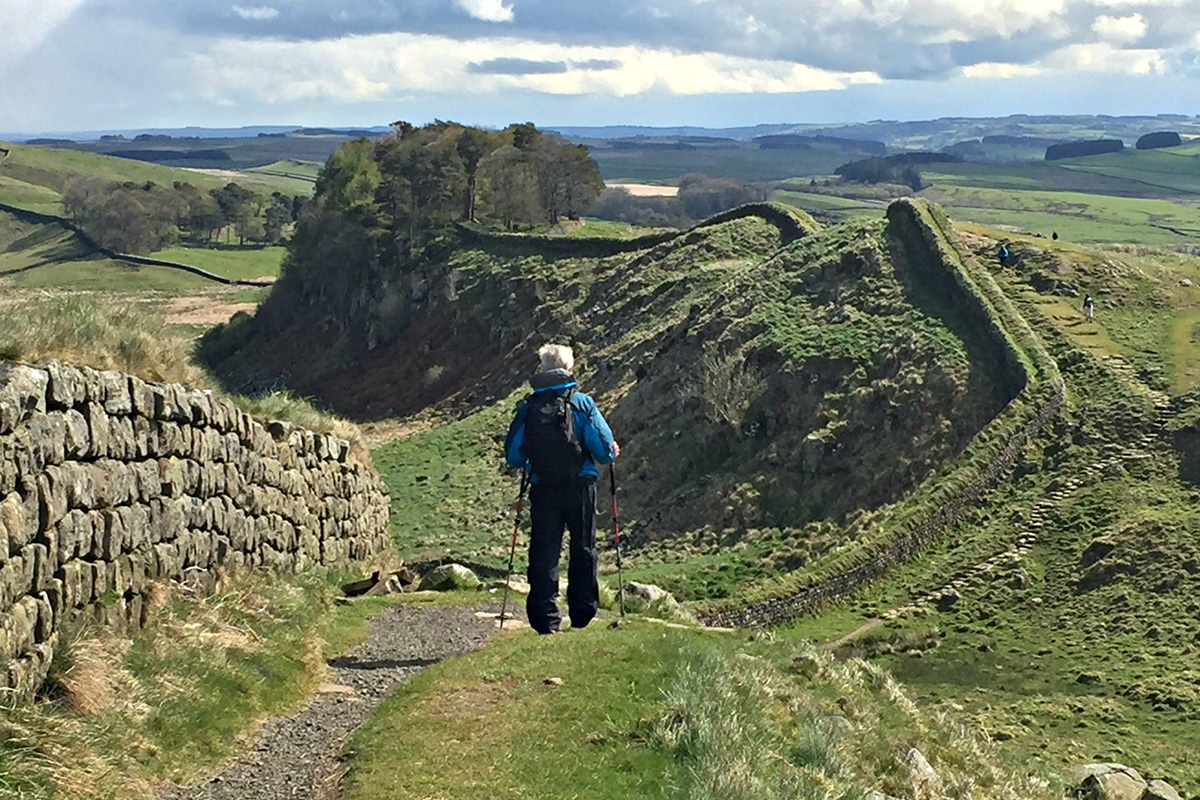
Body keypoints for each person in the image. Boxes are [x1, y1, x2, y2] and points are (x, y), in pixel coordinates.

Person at [504, 344, 619, 635]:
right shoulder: (582, 404)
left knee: (544, 551)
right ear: (569, 370)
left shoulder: (528, 408)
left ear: (542, 370)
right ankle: (582, 614)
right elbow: (605, 452)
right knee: (583, 547)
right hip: (579, 487)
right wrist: (612, 451)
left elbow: (513, 456)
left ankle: (545, 619)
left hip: (543, 489)